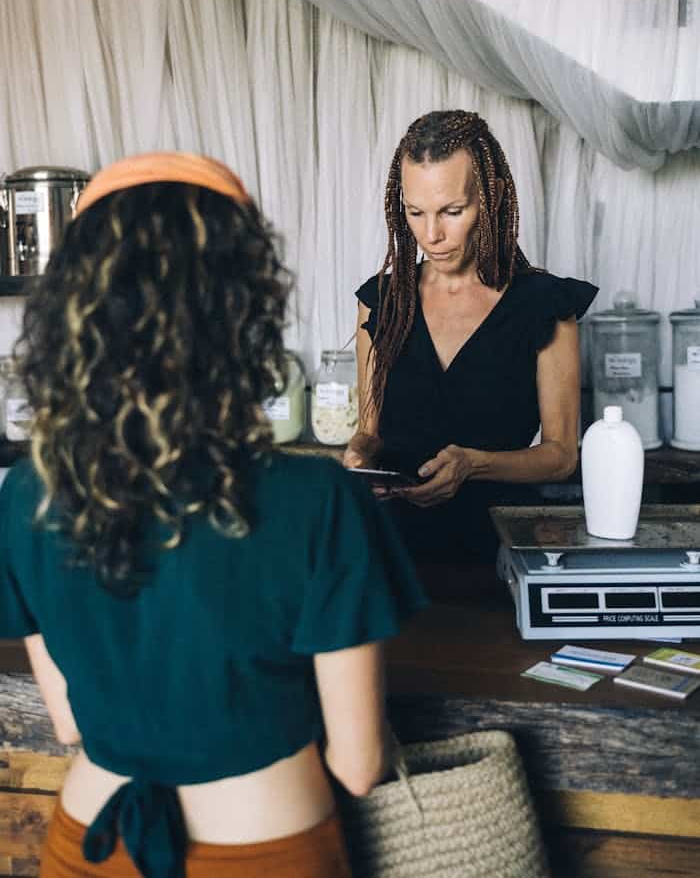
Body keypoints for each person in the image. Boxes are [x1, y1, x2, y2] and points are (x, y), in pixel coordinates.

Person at [0, 153, 427, 878]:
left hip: (91, 847)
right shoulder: (323, 499)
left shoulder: (25, 493)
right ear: (241, 306)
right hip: (263, 852)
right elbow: (358, 766)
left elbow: (71, 721)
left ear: (78, 309)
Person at [344, 110, 598, 561]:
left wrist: (474, 464)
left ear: (489, 198)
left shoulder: (544, 304)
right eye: (415, 212)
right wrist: (359, 458)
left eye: (452, 211)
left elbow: (561, 456)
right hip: (394, 550)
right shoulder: (381, 301)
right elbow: (370, 432)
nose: (432, 234)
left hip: (501, 547)